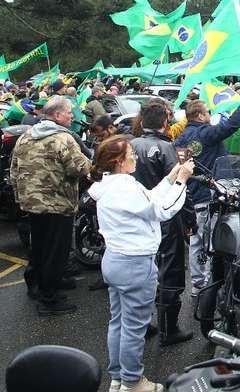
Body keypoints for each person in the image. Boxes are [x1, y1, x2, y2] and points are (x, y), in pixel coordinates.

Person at [89, 135, 193, 392]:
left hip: (114, 260)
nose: (135, 156)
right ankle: (133, 382)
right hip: (135, 263)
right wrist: (182, 181)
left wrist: (170, 178)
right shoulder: (125, 187)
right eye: (130, 154)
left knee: (119, 322)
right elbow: (162, 210)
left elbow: (148, 200)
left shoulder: (112, 185)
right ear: (118, 161)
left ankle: (119, 378)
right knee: (134, 327)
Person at [174, 86, 240, 296]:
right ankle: (212, 282)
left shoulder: (182, 138)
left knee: (196, 240)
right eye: (208, 112)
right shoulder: (205, 133)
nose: (210, 116)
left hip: (189, 195)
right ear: (200, 115)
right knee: (213, 239)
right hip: (207, 196)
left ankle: (198, 283)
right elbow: (231, 125)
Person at [10, 96, 92, 315]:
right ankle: (49, 299)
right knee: (56, 251)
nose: (72, 116)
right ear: (56, 115)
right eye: (68, 113)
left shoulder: (26, 135)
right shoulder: (62, 139)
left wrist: (20, 198)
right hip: (57, 204)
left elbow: (14, 169)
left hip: (31, 203)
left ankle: (36, 285)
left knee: (39, 247)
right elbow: (80, 168)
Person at [130, 103, 193, 347]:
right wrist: (189, 220)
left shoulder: (131, 145)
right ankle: (169, 329)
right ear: (165, 122)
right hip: (164, 218)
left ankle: (143, 324)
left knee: (145, 273)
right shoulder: (165, 147)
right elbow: (179, 185)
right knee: (170, 272)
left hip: (138, 219)